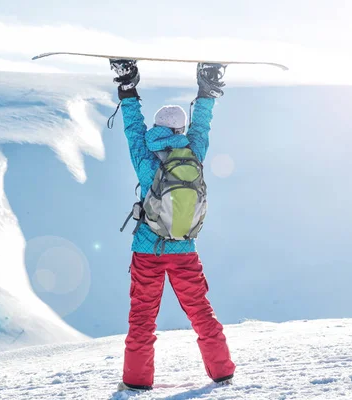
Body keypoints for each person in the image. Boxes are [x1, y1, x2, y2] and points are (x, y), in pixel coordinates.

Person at [110, 59, 236, 392]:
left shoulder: (145, 157)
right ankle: (221, 371)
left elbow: (132, 128)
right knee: (201, 313)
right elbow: (203, 126)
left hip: (147, 250)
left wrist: (128, 86)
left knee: (142, 320)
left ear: (158, 127)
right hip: (184, 250)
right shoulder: (193, 153)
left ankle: (136, 382)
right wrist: (206, 89)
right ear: (180, 130)